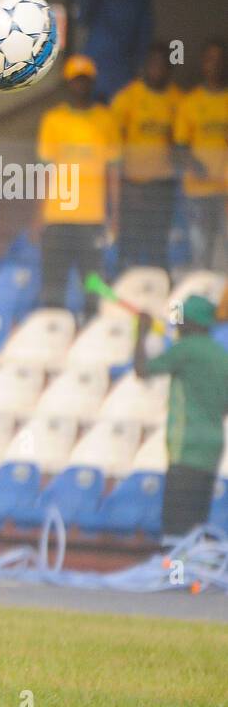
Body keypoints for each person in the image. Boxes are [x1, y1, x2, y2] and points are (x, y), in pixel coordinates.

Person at [135, 296, 228, 539]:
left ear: (193, 323)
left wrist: (141, 331)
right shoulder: (221, 355)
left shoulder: (186, 349)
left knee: (176, 529)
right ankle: (192, 575)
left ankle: (176, 577)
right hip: (212, 448)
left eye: (181, 320)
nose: (177, 325)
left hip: (186, 447)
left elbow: (142, 369)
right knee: (196, 526)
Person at [35, 54, 121, 319]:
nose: (80, 86)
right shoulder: (53, 120)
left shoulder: (106, 120)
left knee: (93, 287)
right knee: (53, 287)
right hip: (57, 217)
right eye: (75, 81)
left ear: (92, 83)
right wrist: (39, 214)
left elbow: (113, 171)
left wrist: (114, 215)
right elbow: (45, 170)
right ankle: (52, 340)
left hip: (91, 219)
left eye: (85, 81)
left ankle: (91, 337)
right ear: (67, 84)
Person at [110, 42, 182, 273]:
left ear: (170, 69)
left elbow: (180, 145)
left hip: (162, 187)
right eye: (153, 64)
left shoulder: (178, 100)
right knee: (128, 247)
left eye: (163, 65)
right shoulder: (127, 98)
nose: (157, 69)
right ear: (145, 66)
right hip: (132, 186)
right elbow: (114, 148)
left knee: (157, 248)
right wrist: (123, 184)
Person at [173, 39, 228, 271]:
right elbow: (179, 146)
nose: (214, 65)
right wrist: (195, 165)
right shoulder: (190, 103)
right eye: (209, 59)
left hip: (226, 192)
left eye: (219, 60)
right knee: (200, 253)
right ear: (203, 64)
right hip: (198, 192)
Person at [77, 0, 153, 101]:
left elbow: (145, 36)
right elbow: (82, 18)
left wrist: (140, 68)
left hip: (123, 71)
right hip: (93, 67)